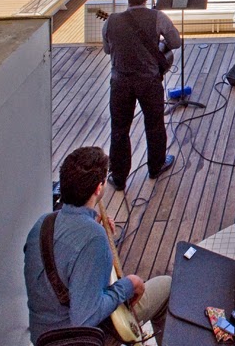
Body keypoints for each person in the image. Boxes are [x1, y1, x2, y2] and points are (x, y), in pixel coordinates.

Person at [23, 146, 171, 344]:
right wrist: (129, 285)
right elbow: (84, 318)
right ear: (99, 189)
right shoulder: (94, 238)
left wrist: (92, 227)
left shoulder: (42, 223)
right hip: (77, 339)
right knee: (166, 286)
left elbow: (65, 262)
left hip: (42, 337)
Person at [102, 0, 181, 191]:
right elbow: (175, 42)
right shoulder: (157, 17)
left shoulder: (111, 21)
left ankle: (119, 177)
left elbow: (108, 50)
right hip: (149, 81)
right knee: (154, 124)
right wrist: (159, 44)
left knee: (119, 129)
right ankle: (156, 166)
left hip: (120, 82)